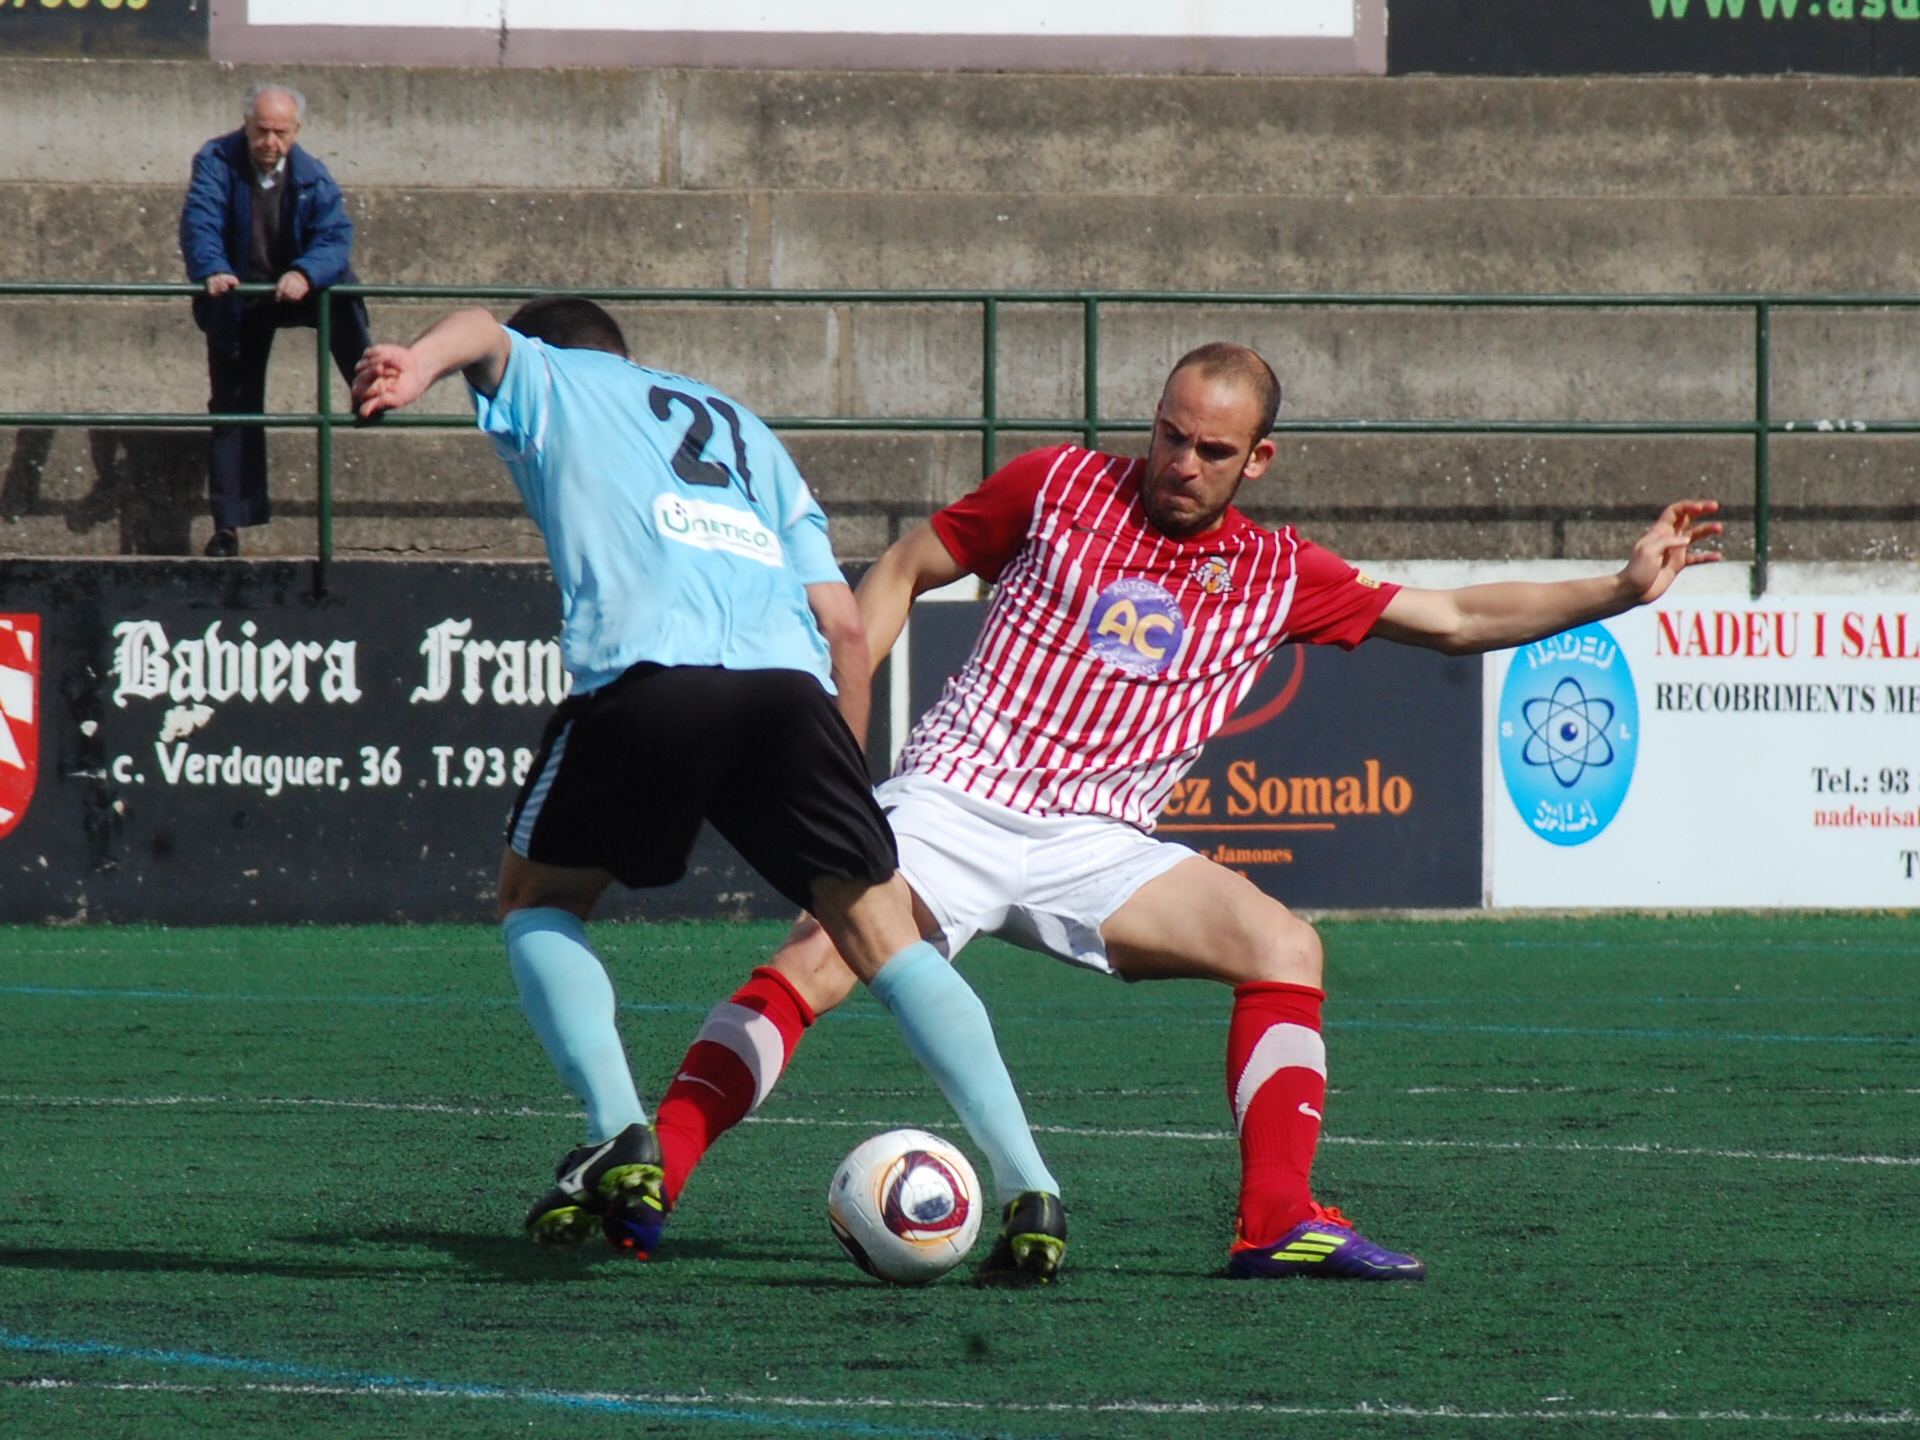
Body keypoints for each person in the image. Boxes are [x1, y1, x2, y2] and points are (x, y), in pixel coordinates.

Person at [644, 341, 1722, 1282]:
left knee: (1282, 947)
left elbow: (1448, 617)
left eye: (1212, 451)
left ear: (1258, 460)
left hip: (1098, 843)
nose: (1181, 464)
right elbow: (911, 565)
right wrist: (841, 712)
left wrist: (1617, 591)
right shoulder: (1056, 483)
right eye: (1169, 436)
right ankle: (651, 1184)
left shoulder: (1275, 568)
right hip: (955, 803)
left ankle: (1277, 1225)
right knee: (812, 966)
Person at [349, 297, 1065, 1281]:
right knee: (884, 937)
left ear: (550, 355)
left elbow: (482, 330)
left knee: (538, 900)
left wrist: (419, 365)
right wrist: (840, 778)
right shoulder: (741, 425)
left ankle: (616, 1134)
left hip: (654, 677)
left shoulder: (559, 381)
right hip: (792, 696)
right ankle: (1033, 1188)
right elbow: (845, 628)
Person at [180, 82, 374, 558]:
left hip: (294, 286)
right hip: (239, 294)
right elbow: (199, 221)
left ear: (296, 132)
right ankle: (228, 526)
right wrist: (213, 268)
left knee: (344, 290)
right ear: (246, 125)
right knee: (234, 406)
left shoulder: (313, 175)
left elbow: (334, 237)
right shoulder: (216, 161)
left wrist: (306, 272)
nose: (270, 142)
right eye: (261, 131)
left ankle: (368, 386)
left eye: (280, 133)